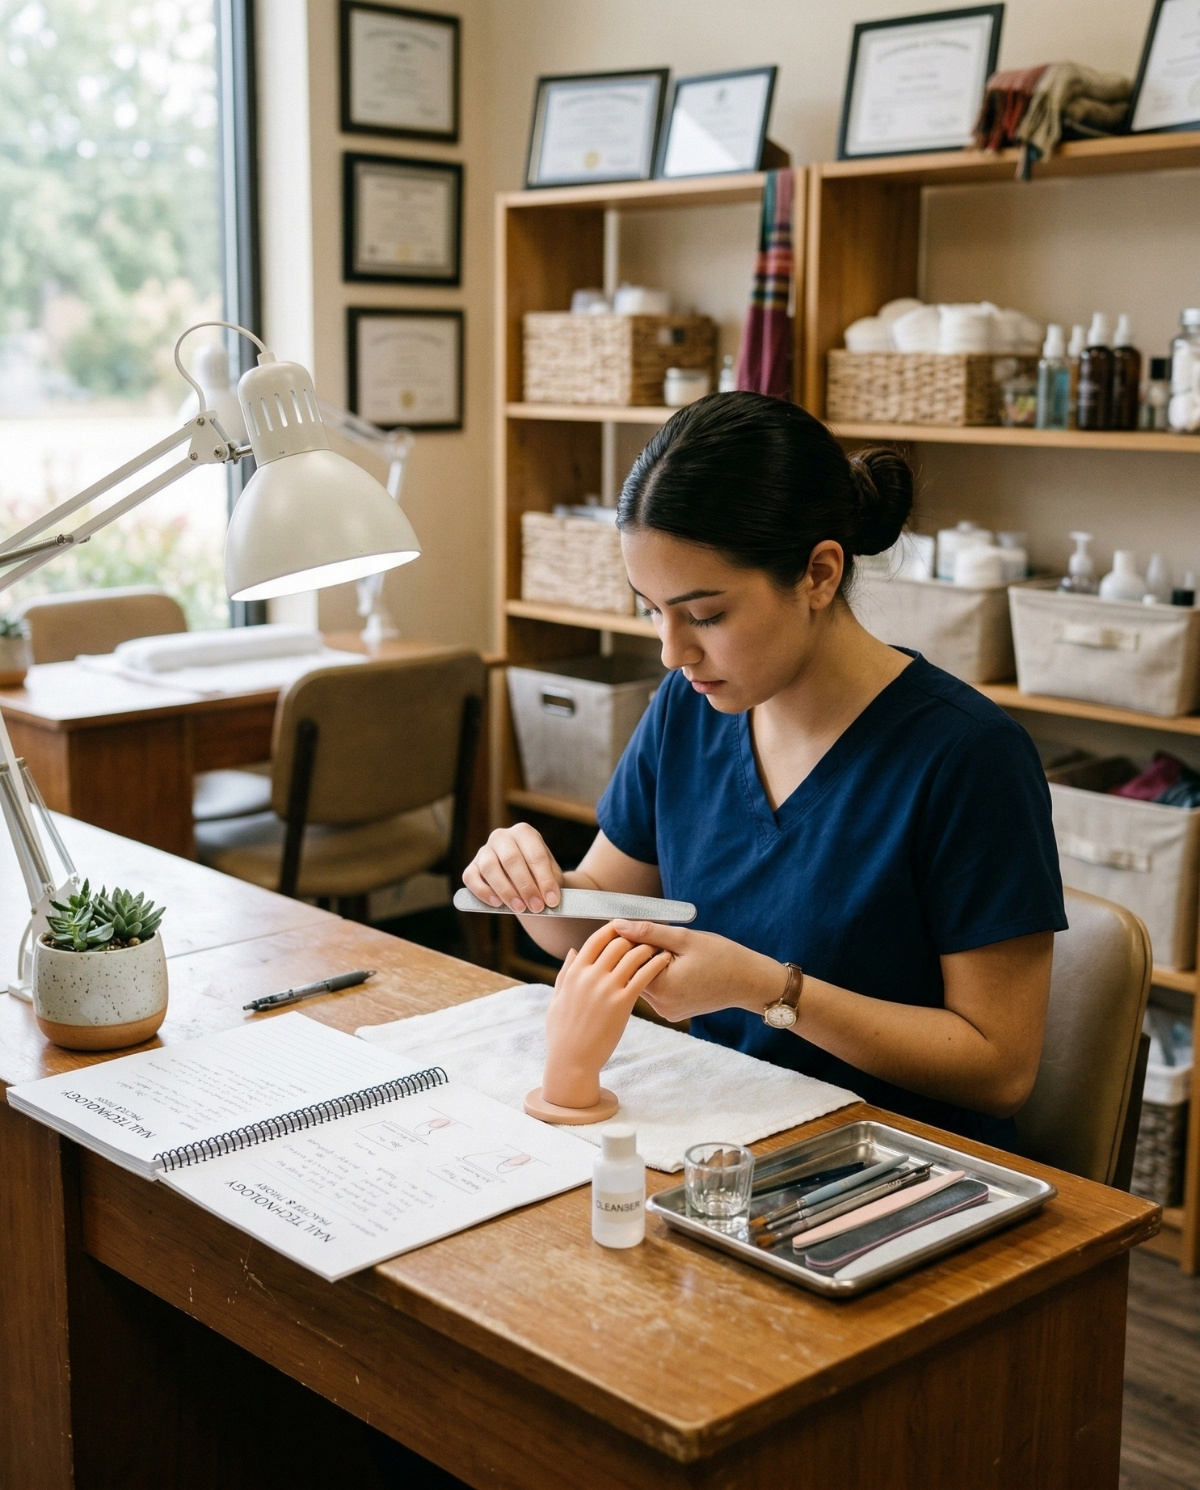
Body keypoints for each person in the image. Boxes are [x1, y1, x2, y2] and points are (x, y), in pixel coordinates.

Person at [465, 392, 1066, 1147]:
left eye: (706, 615)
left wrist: (768, 989)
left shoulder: (968, 757)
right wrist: (531, 885)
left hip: (895, 1161)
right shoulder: (689, 708)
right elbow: (593, 921)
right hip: (724, 1130)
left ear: (819, 574)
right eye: (651, 609)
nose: (672, 651)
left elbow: (997, 1068)